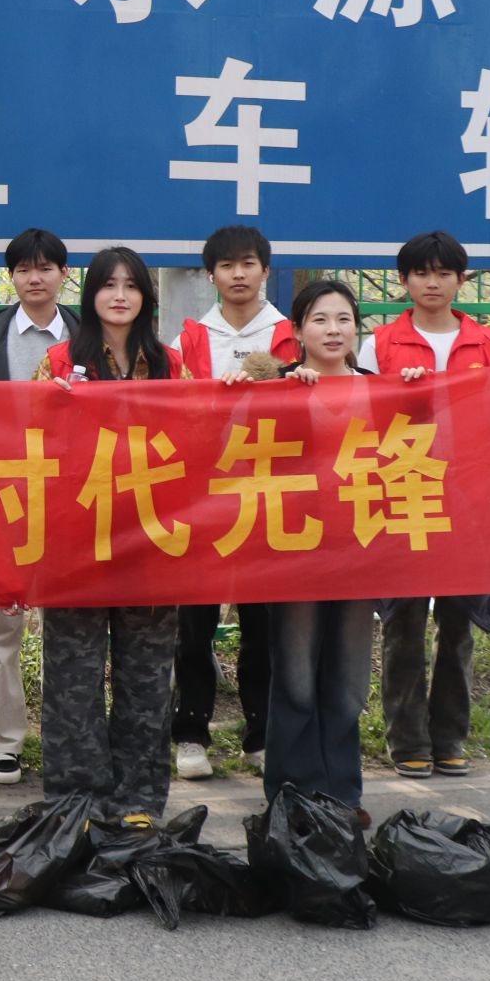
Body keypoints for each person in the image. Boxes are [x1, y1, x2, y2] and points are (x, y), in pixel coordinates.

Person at [32, 247, 188, 826]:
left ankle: (139, 798)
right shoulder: (58, 360)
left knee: (146, 676)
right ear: (91, 294)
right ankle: (76, 801)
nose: (119, 296)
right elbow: (29, 441)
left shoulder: (171, 364)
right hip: (76, 543)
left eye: (131, 285)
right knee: (72, 678)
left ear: (146, 296)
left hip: (151, 541)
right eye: (107, 285)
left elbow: (199, 437)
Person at [223, 280, 377, 821]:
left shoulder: (380, 388)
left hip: (361, 551)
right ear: (297, 330)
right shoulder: (277, 386)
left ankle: (343, 794)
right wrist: (257, 393)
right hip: (295, 551)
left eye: (343, 319)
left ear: (356, 329)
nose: (333, 330)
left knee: (348, 676)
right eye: (320, 320)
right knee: (295, 674)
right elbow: (233, 448)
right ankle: (292, 794)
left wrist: (418, 386)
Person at [361, 230, 490, 779]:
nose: (432, 283)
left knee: (458, 622)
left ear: (462, 280)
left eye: (444, 273)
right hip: (403, 491)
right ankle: (407, 740)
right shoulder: (379, 344)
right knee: (403, 620)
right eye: (421, 273)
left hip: (470, 496)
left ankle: (451, 736)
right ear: (403, 281)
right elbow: (361, 418)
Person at [169, 225, 293, 782]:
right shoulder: (190, 339)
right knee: (193, 622)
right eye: (226, 265)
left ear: (266, 270)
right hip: (202, 495)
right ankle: (190, 733)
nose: (238, 274)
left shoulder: (291, 335)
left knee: (263, 623)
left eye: (248, 263)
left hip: (271, 493)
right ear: (211, 275)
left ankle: (260, 734)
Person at [0, 227, 78, 787]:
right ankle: (3, 742)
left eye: (45, 268)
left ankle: (65, 737)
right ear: (11, 277)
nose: (35, 278)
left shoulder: (86, 334)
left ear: (63, 275)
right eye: (24, 269)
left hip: (73, 496)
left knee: (69, 624)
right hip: (2, 492)